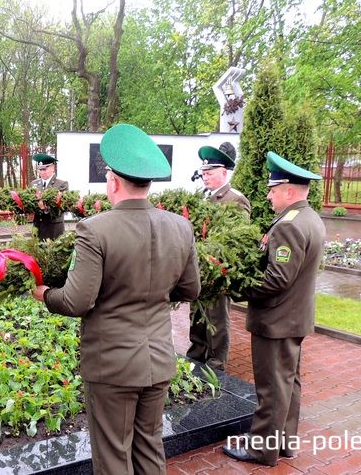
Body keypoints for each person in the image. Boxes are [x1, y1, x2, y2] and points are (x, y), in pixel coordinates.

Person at [32, 124, 201, 474]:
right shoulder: (180, 227)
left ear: (112, 181)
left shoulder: (95, 229)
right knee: (150, 448)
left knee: (113, 457)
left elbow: (77, 301)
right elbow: (190, 290)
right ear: (148, 183)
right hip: (157, 359)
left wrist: (45, 293)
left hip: (112, 366)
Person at [223, 151, 325, 467]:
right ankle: (284, 443)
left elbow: (276, 279)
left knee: (271, 388)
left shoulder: (288, 226)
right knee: (289, 384)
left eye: (273, 189)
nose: (268, 195)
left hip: (276, 319)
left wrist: (237, 288)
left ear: (289, 191)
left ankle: (261, 449)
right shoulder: (310, 218)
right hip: (294, 318)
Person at [186, 142, 250, 371]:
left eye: (209, 173)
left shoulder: (235, 199)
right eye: (203, 173)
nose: (205, 177)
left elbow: (239, 239)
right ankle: (196, 353)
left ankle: (216, 362)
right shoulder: (204, 196)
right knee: (197, 311)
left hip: (218, 269)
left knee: (217, 317)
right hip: (199, 267)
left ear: (223, 173)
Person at [30, 154, 69, 240]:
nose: (42, 172)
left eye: (45, 169)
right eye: (40, 169)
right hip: (38, 227)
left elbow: (62, 207)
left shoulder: (61, 184)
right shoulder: (33, 184)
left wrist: (45, 209)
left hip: (54, 229)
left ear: (53, 168)